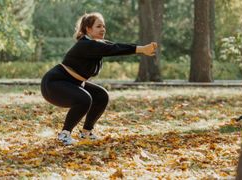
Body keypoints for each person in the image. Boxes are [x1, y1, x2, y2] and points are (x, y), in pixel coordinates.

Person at [41, 12, 157, 145]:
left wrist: (141, 49)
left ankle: (86, 132)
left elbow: (114, 47)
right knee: (84, 99)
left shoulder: (97, 44)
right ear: (88, 29)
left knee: (101, 95)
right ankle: (64, 135)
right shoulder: (86, 44)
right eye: (98, 26)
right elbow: (115, 48)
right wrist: (142, 49)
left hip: (73, 82)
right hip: (53, 84)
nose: (103, 29)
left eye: (104, 26)